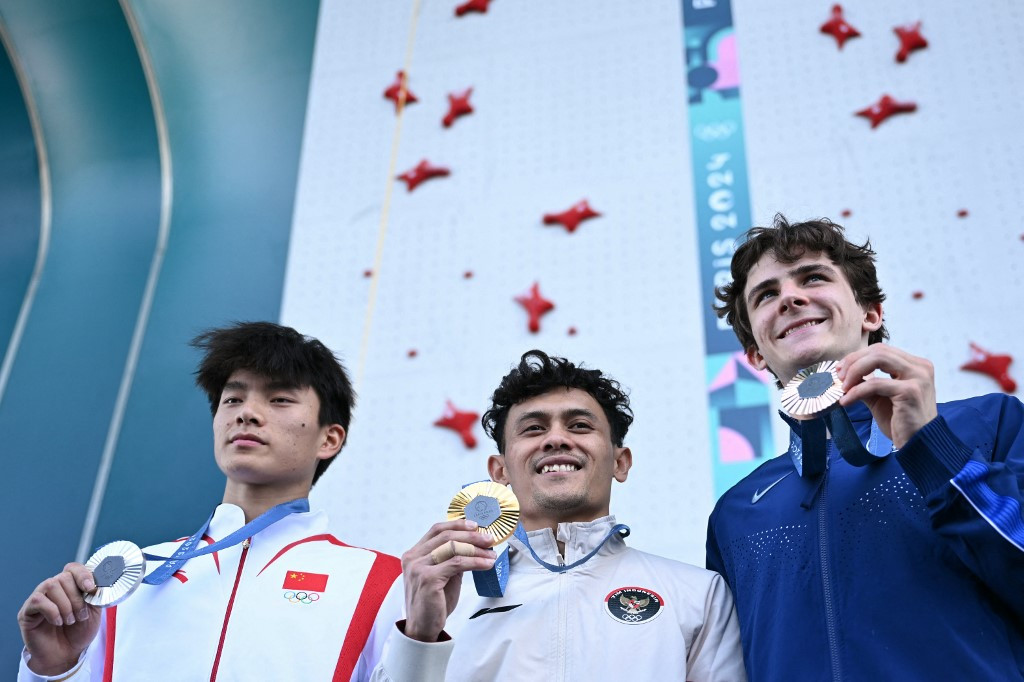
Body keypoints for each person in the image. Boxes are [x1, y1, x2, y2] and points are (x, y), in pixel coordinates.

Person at [707, 215, 1024, 680]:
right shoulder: (735, 511)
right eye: (766, 295)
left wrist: (934, 450)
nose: (790, 298)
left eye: (813, 277)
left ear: (871, 314)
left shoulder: (988, 422)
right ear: (756, 353)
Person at [18, 321, 403, 681]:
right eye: (232, 399)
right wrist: (53, 668)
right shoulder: (126, 580)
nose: (247, 414)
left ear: (329, 439)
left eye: (280, 399)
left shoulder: (382, 583)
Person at [372, 350, 747, 681]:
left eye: (579, 425)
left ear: (620, 461)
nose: (555, 439)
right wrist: (420, 636)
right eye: (533, 429)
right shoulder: (431, 594)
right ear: (500, 471)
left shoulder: (697, 594)